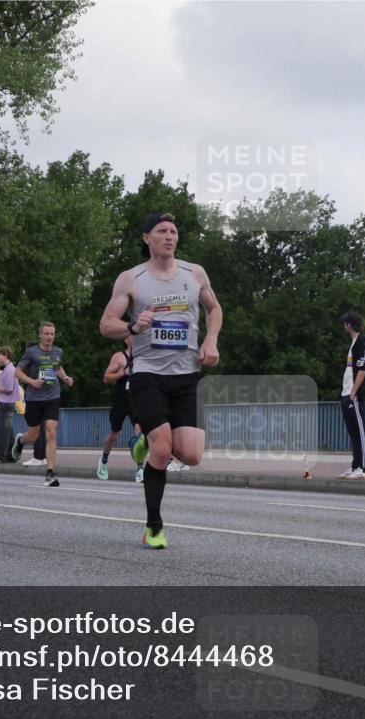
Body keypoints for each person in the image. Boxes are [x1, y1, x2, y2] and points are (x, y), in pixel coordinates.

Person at [100, 212, 222, 549]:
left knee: (192, 455)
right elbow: (106, 324)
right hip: (148, 374)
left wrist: (210, 340)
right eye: (161, 231)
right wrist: (133, 327)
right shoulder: (131, 279)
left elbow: (214, 309)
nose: (169, 236)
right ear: (146, 238)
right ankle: (154, 525)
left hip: (186, 376)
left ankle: (143, 446)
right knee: (164, 446)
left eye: (173, 231)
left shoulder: (194, 273)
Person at [11, 322, 73, 487]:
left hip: (52, 397)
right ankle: (21, 440)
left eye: (52, 334)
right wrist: (32, 382)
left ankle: (50, 473)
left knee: (51, 432)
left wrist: (65, 378)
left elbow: (57, 367)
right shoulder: (31, 353)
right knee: (33, 435)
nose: (49, 337)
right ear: (40, 335)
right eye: (46, 334)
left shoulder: (58, 351)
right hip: (33, 398)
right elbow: (17, 372)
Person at [97, 336, 144, 482]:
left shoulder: (144, 356)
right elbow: (106, 378)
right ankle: (104, 460)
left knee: (139, 433)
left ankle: (140, 468)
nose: (135, 338)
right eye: (132, 336)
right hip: (121, 401)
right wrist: (123, 373)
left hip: (137, 400)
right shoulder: (119, 357)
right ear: (126, 339)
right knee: (114, 434)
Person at [338, 311, 365, 480]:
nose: (343, 326)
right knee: (353, 432)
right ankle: (355, 466)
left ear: (349, 324)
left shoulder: (364, 341)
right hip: (347, 393)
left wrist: (354, 391)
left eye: (345, 323)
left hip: (356, 395)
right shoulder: (353, 343)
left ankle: (364, 468)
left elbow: (364, 367)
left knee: (361, 431)